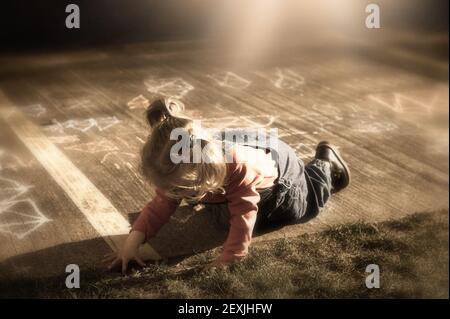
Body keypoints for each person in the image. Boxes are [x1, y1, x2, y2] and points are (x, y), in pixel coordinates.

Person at [105, 98, 350, 274]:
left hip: (282, 178)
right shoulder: (183, 161)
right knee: (220, 215)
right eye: (172, 188)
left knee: (303, 207)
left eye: (179, 190)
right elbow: (160, 204)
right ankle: (210, 197)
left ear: (204, 175)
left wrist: (230, 257)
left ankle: (324, 165)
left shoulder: (236, 169)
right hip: (239, 150)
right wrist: (131, 244)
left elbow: (244, 214)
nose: (171, 194)